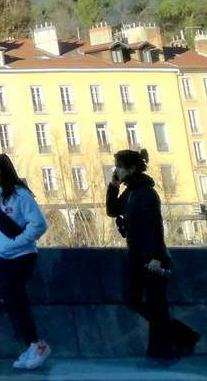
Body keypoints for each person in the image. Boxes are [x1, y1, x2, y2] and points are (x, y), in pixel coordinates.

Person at [107, 148, 200, 363]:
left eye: (119, 167)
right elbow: (113, 211)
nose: (117, 170)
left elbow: (155, 226)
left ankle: (161, 354)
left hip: (152, 258)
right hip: (137, 256)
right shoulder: (130, 192)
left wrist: (157, 256)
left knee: (157, 307)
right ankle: (183, 336)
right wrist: (112, 186)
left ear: (131, 168)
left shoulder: (146, 193)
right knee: (137, 301)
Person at [0, 153, 50, 370]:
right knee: (14, 299)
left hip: (23, 256)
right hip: (5, 257)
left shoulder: (21, 195)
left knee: (9, 295)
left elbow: (38, 224)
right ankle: (33, 344)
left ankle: (36, 344)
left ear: (3, 170)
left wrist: (16, 243)